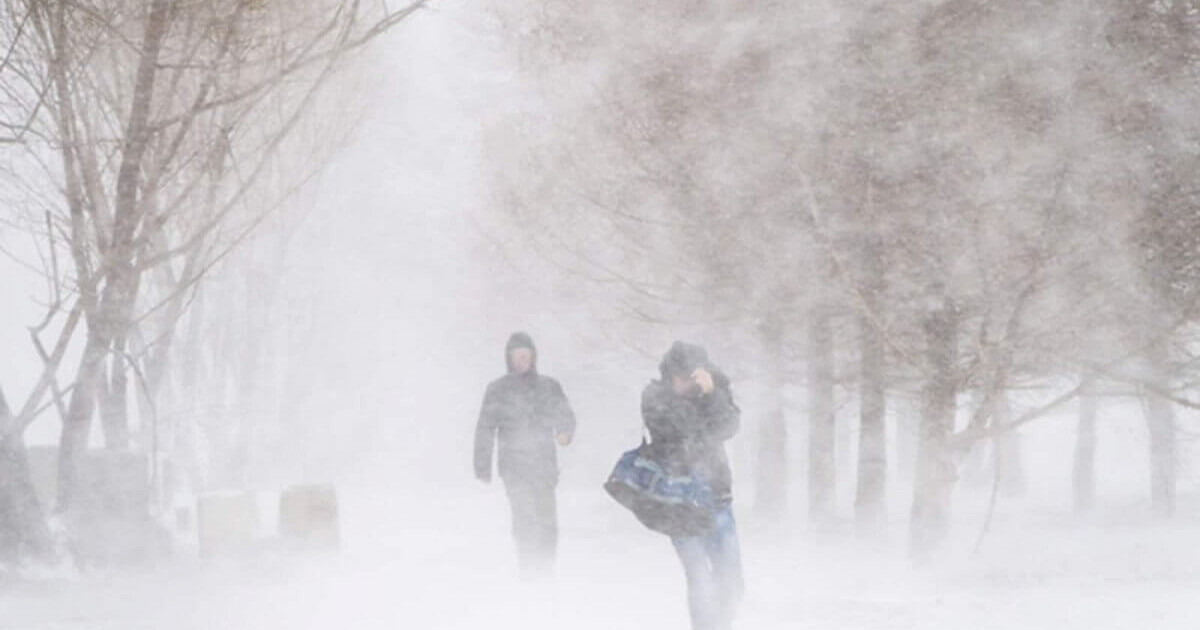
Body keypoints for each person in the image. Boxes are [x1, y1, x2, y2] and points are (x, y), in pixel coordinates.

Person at [642, 341, 743, 630]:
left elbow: (728, 427)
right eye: (681, 376)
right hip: (679, 502)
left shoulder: (715, 393)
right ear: (669, 374)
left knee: (731, 581)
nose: (686, 382)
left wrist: (712, 394)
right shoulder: (654, 396)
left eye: (692, 376)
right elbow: (677, 432)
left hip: (717, 496)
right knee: (699, 578)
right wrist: (701, 405)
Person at [474, 332, 576, 578]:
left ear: (533, 357)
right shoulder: (497, 390)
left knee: (546, 520)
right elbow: (485, 427)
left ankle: (546, 568)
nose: (521, 360)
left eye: (525, 355)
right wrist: (482, 466)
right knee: (524, 518)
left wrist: (564, 432)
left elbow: (566, 415)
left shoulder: (548, 387)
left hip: (543, 466)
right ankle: (529, 569)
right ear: (508, 359)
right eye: (516, 356)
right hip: (514, 467)